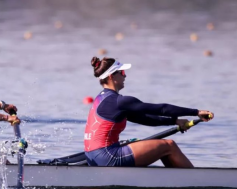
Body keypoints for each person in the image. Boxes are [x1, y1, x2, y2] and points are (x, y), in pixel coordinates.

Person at [84, 57, 214, 168]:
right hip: (107, 156)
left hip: (93, 155)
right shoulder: (119, 101)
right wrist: (196, 112)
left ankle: (169, 185)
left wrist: (174, 121)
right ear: (112, 76)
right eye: (122, 72)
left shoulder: (101, 99)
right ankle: (193, 179)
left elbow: (144, 119)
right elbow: (162, 109)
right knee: (169, 145)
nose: (125, 75)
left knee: (153, 146)